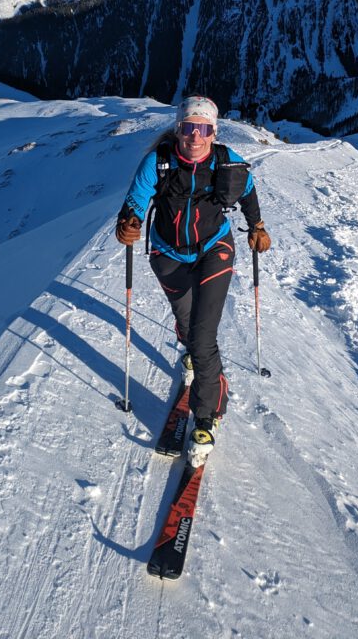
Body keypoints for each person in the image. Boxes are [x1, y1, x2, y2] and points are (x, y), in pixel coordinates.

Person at [115, 95, 271, 463]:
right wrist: (129, 223)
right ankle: (193, 357)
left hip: (214, 249)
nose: (195, 136)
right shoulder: (159, 162)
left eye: (203, 129)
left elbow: (247, 190)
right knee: (186, 325)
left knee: (203, 339)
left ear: (213, 133)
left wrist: (257, 226)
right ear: (178, 129)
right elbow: (135, 201)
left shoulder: (225, 162)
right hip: (168, 256)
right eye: (188, 127)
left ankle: (208, 415)